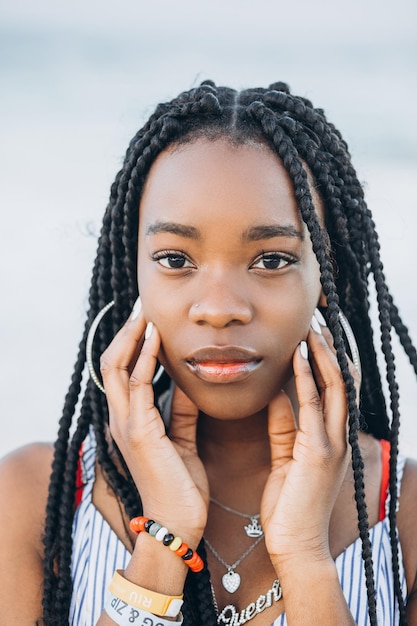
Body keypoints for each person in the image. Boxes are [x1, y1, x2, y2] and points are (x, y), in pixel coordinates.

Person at [1, 80, 416, 626]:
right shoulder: (28, 497)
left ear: (327, 277)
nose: (219, 309)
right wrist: (162, 542)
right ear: (134, 277)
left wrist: (305, 557)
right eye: (175, 259)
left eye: (271, 260)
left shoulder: (403, 516)